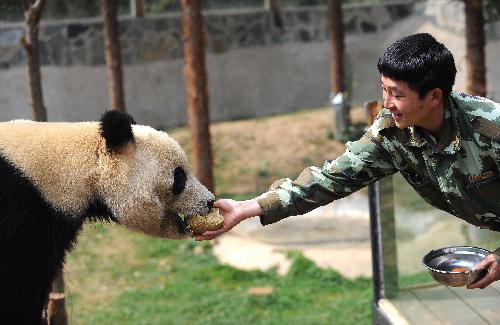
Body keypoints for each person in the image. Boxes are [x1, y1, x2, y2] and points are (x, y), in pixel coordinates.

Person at [195, 33, 500, 289]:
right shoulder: (391, 134)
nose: (387, 104)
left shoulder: (490, 128)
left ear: (434, 97)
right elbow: (330, 179)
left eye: (397, 94)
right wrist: (248, 207)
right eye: (384, 90)